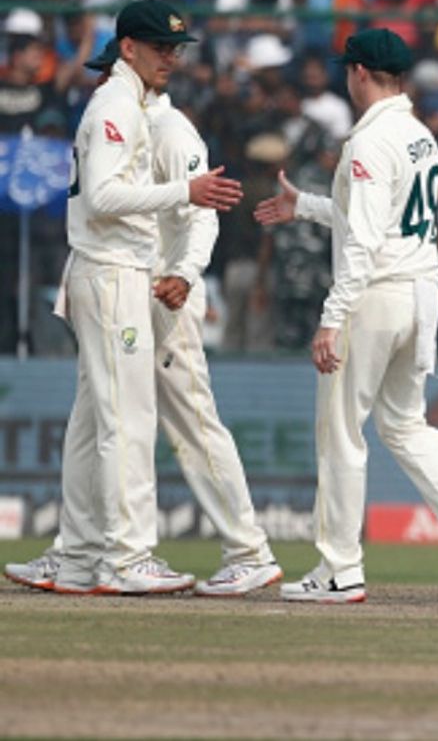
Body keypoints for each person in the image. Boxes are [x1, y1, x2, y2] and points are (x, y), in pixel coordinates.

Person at [5, 40, 280, 597]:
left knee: (188, 419)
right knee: (93, 421)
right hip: (121, 284)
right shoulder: (118, 113)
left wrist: (186, 270)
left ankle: (248, 550)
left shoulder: (172, 130)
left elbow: (202, 210)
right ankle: (76, 550)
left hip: (161, 290)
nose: (104, 76)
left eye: (111, 67)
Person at [253, 28, 438, 606]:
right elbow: (382, 220)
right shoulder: (420, 134)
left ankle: (340, 569)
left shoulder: (368, 141)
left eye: (349, 70)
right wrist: (309, 207)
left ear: (361, 73)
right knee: (404, 424)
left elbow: (367, 241)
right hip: (420, 293)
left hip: (375, 296)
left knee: (342, 431)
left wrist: (331, 316)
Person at [47, 0, 244, 595]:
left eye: (176, 49)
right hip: (111, 273)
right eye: (160, 47)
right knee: (127, 421)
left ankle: (82, 559)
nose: (171, 59)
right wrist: (185, 189)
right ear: (126, 47)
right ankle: (128, 559)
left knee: (102, 421)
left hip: (116, 271)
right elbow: (104, 197)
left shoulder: (128, 106)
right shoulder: (116, 106)